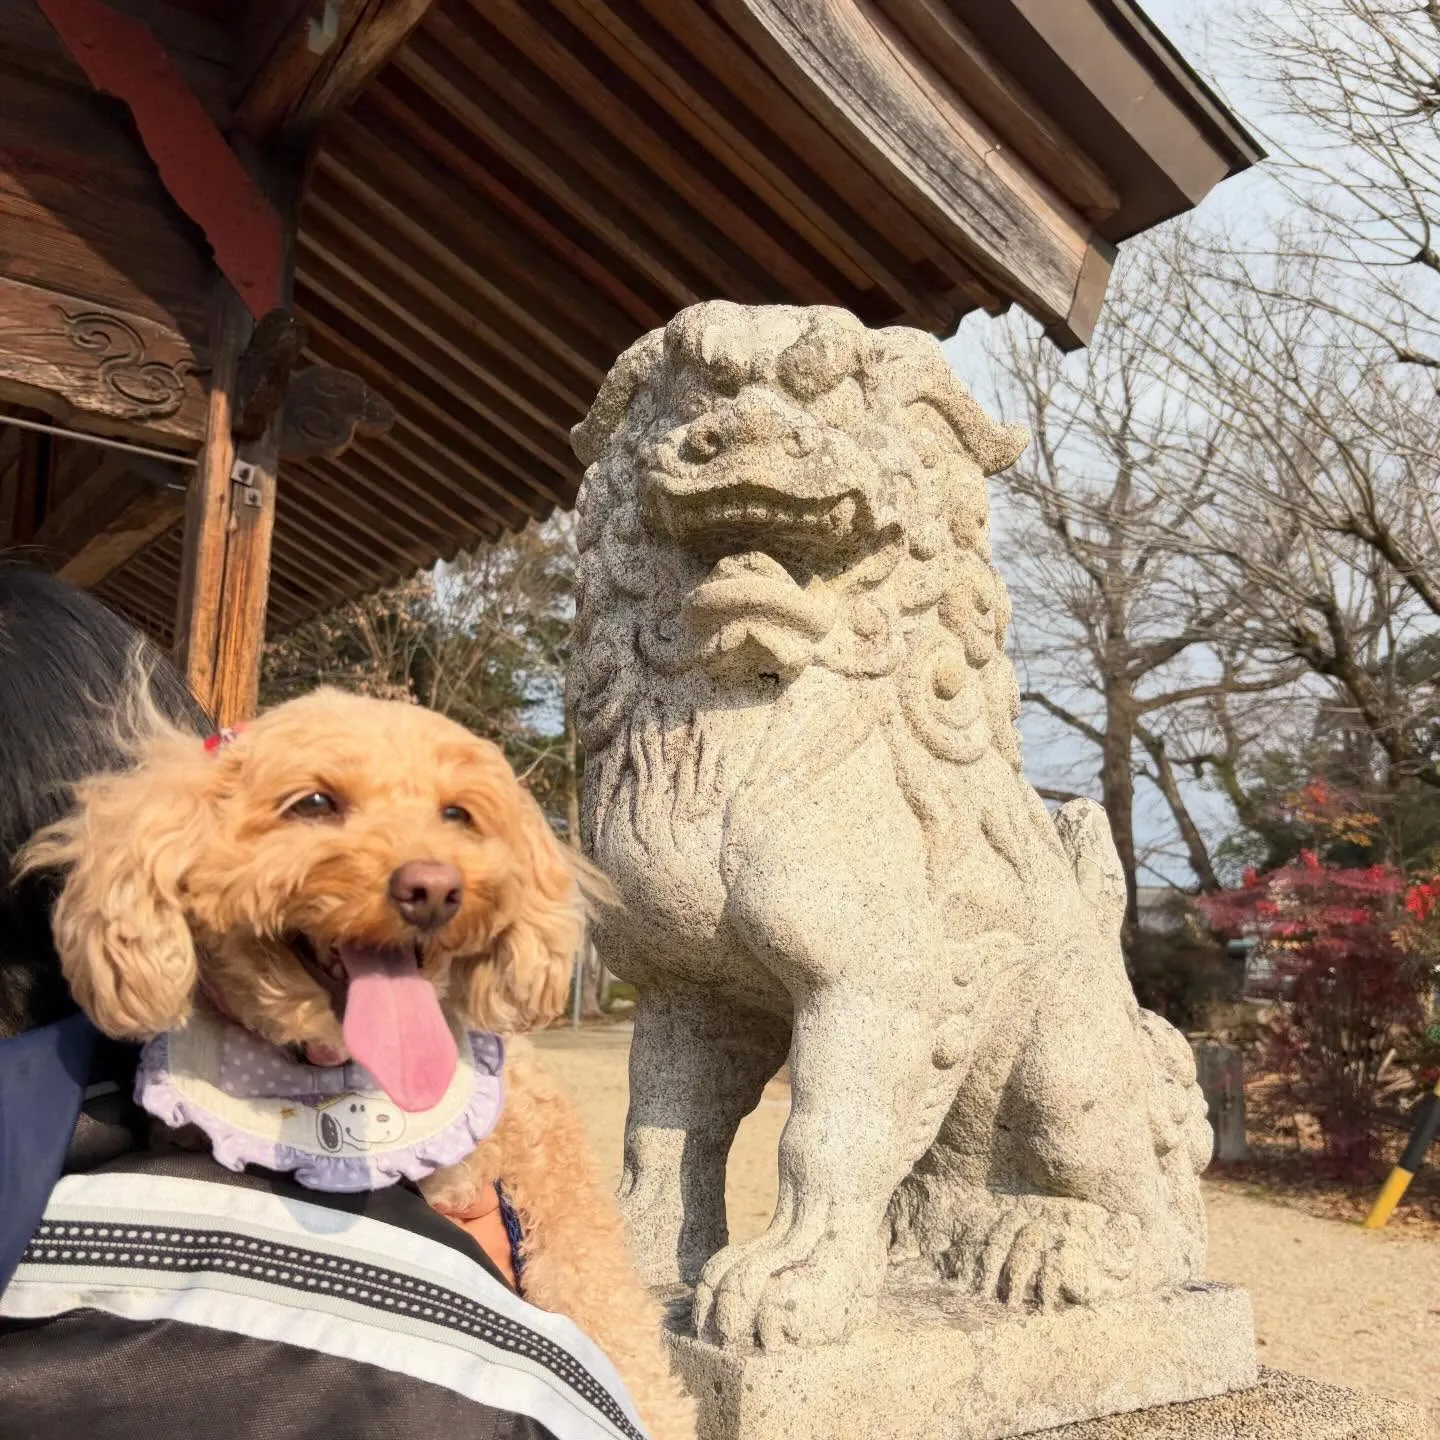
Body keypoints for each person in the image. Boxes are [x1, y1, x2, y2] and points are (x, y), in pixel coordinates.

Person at [0, 566, 645, 1440]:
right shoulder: (156, 1091)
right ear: (182, 847)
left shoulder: (505, 1112)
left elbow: (621, 1365)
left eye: (457, 814)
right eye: (318, 805)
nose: (426, 869)